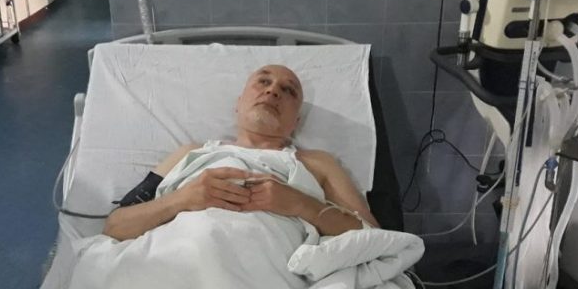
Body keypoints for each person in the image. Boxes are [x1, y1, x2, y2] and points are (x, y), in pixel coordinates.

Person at [103, 65, 380, 241]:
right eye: (263, 82)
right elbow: (115, 226)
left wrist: (301, 204)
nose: (273, 91)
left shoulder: (317, 163)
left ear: (296, 121)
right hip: (176, 260)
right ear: (239, 103)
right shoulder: (191, 154)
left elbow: (373, 236)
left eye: (288, 90)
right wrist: (182, 199)